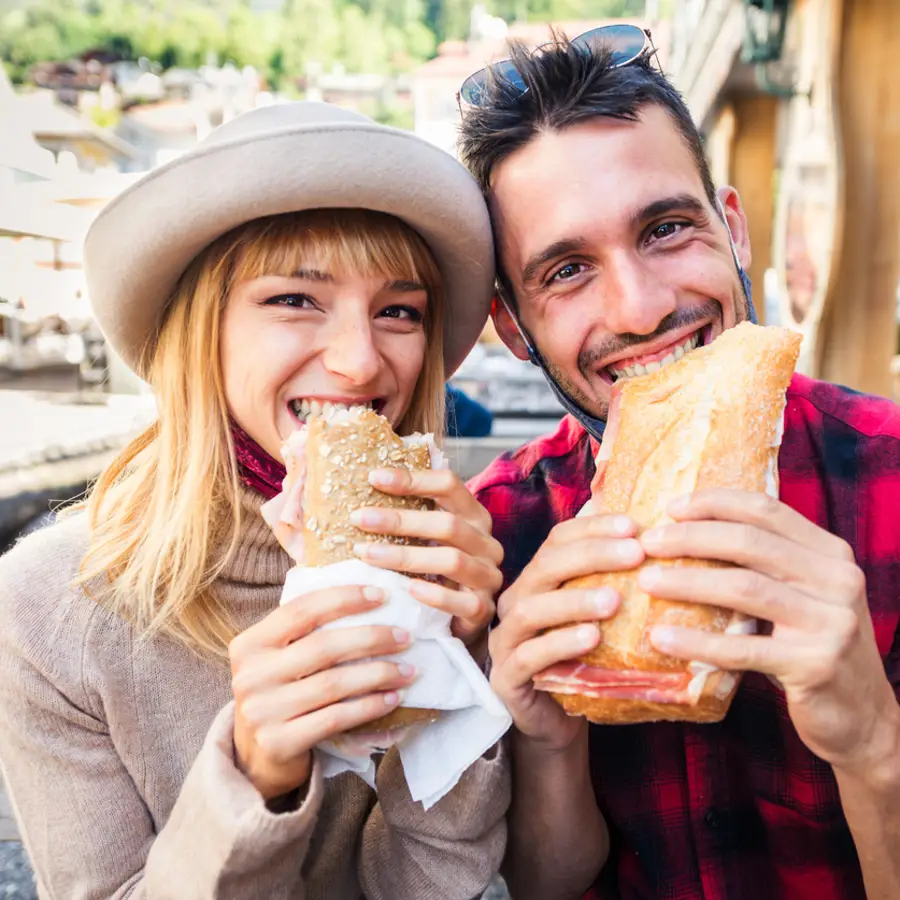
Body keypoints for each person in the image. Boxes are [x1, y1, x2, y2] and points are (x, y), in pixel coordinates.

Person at [0, 101, 510, 899]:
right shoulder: (46, 610)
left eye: (398, 311)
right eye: (295, 300)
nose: (359, 361)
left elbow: (424, 882)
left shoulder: (452, 558)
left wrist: (466, 658)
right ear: (202, 330)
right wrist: (256, 773)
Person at [457, 28, 900, 900]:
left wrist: (873, 741)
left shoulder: (888, 479)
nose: (641, 307)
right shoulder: (492, 542)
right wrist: (547, 745)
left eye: (666, 229)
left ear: (731, 229)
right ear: (512, 326)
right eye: (568, 270)